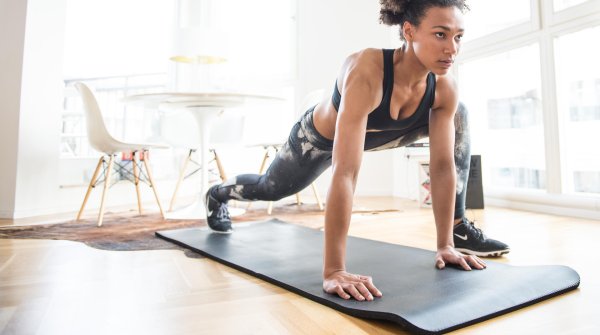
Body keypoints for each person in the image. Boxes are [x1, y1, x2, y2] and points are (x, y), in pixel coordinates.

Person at [204, 0, 510, 301]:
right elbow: (346, 172)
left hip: (383, 135)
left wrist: (444, 245)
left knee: (461, 112)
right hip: (317, 141)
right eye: (440, 34)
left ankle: (456, 231)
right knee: (270, 188)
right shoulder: (368, 70)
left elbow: (442, 167)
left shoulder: (444, 86)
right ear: (409, 31)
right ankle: (218, 194)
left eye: (458, 37)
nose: (452, 48)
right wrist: (334, 270)